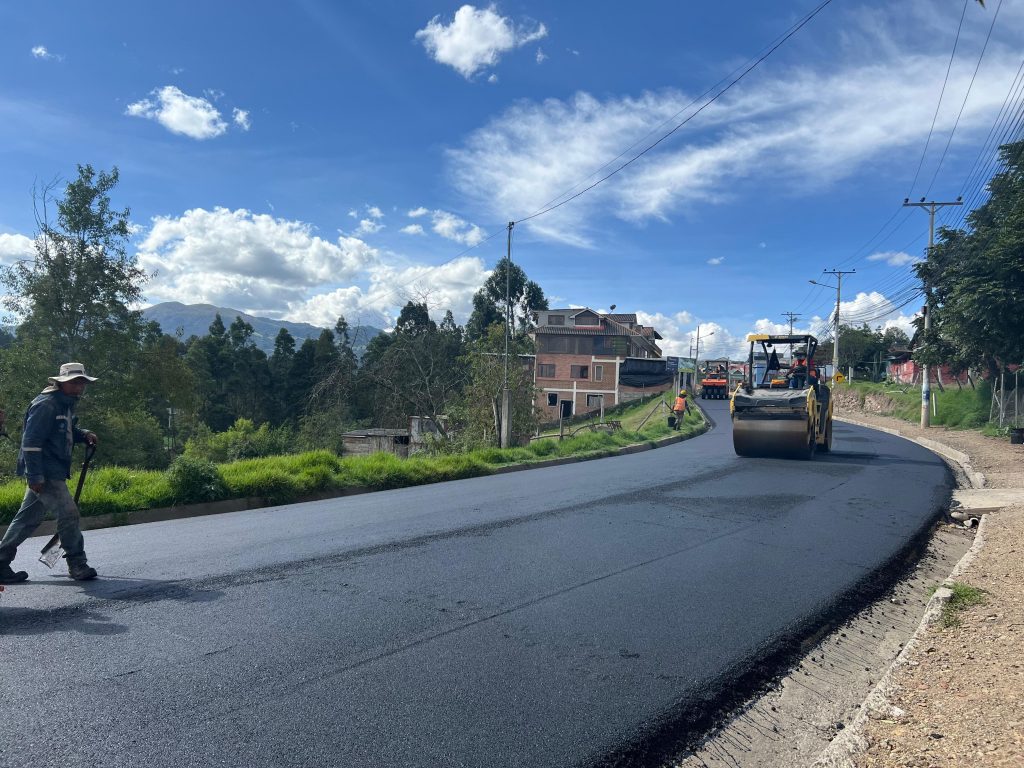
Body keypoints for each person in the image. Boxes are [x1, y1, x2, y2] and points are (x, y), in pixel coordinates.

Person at [0, 363, 100, 583]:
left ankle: (0, 562)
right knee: (69, 514)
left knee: (27, 519)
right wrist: (35, 476)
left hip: (50, 470)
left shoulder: (64, 404)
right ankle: (77, 564)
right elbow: (31, 443)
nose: (79, 388)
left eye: (81, 383)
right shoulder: (46, 405)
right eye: (74, 383)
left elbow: (67, 429)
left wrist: (83, 435)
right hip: (45, 472)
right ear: (61, 383)